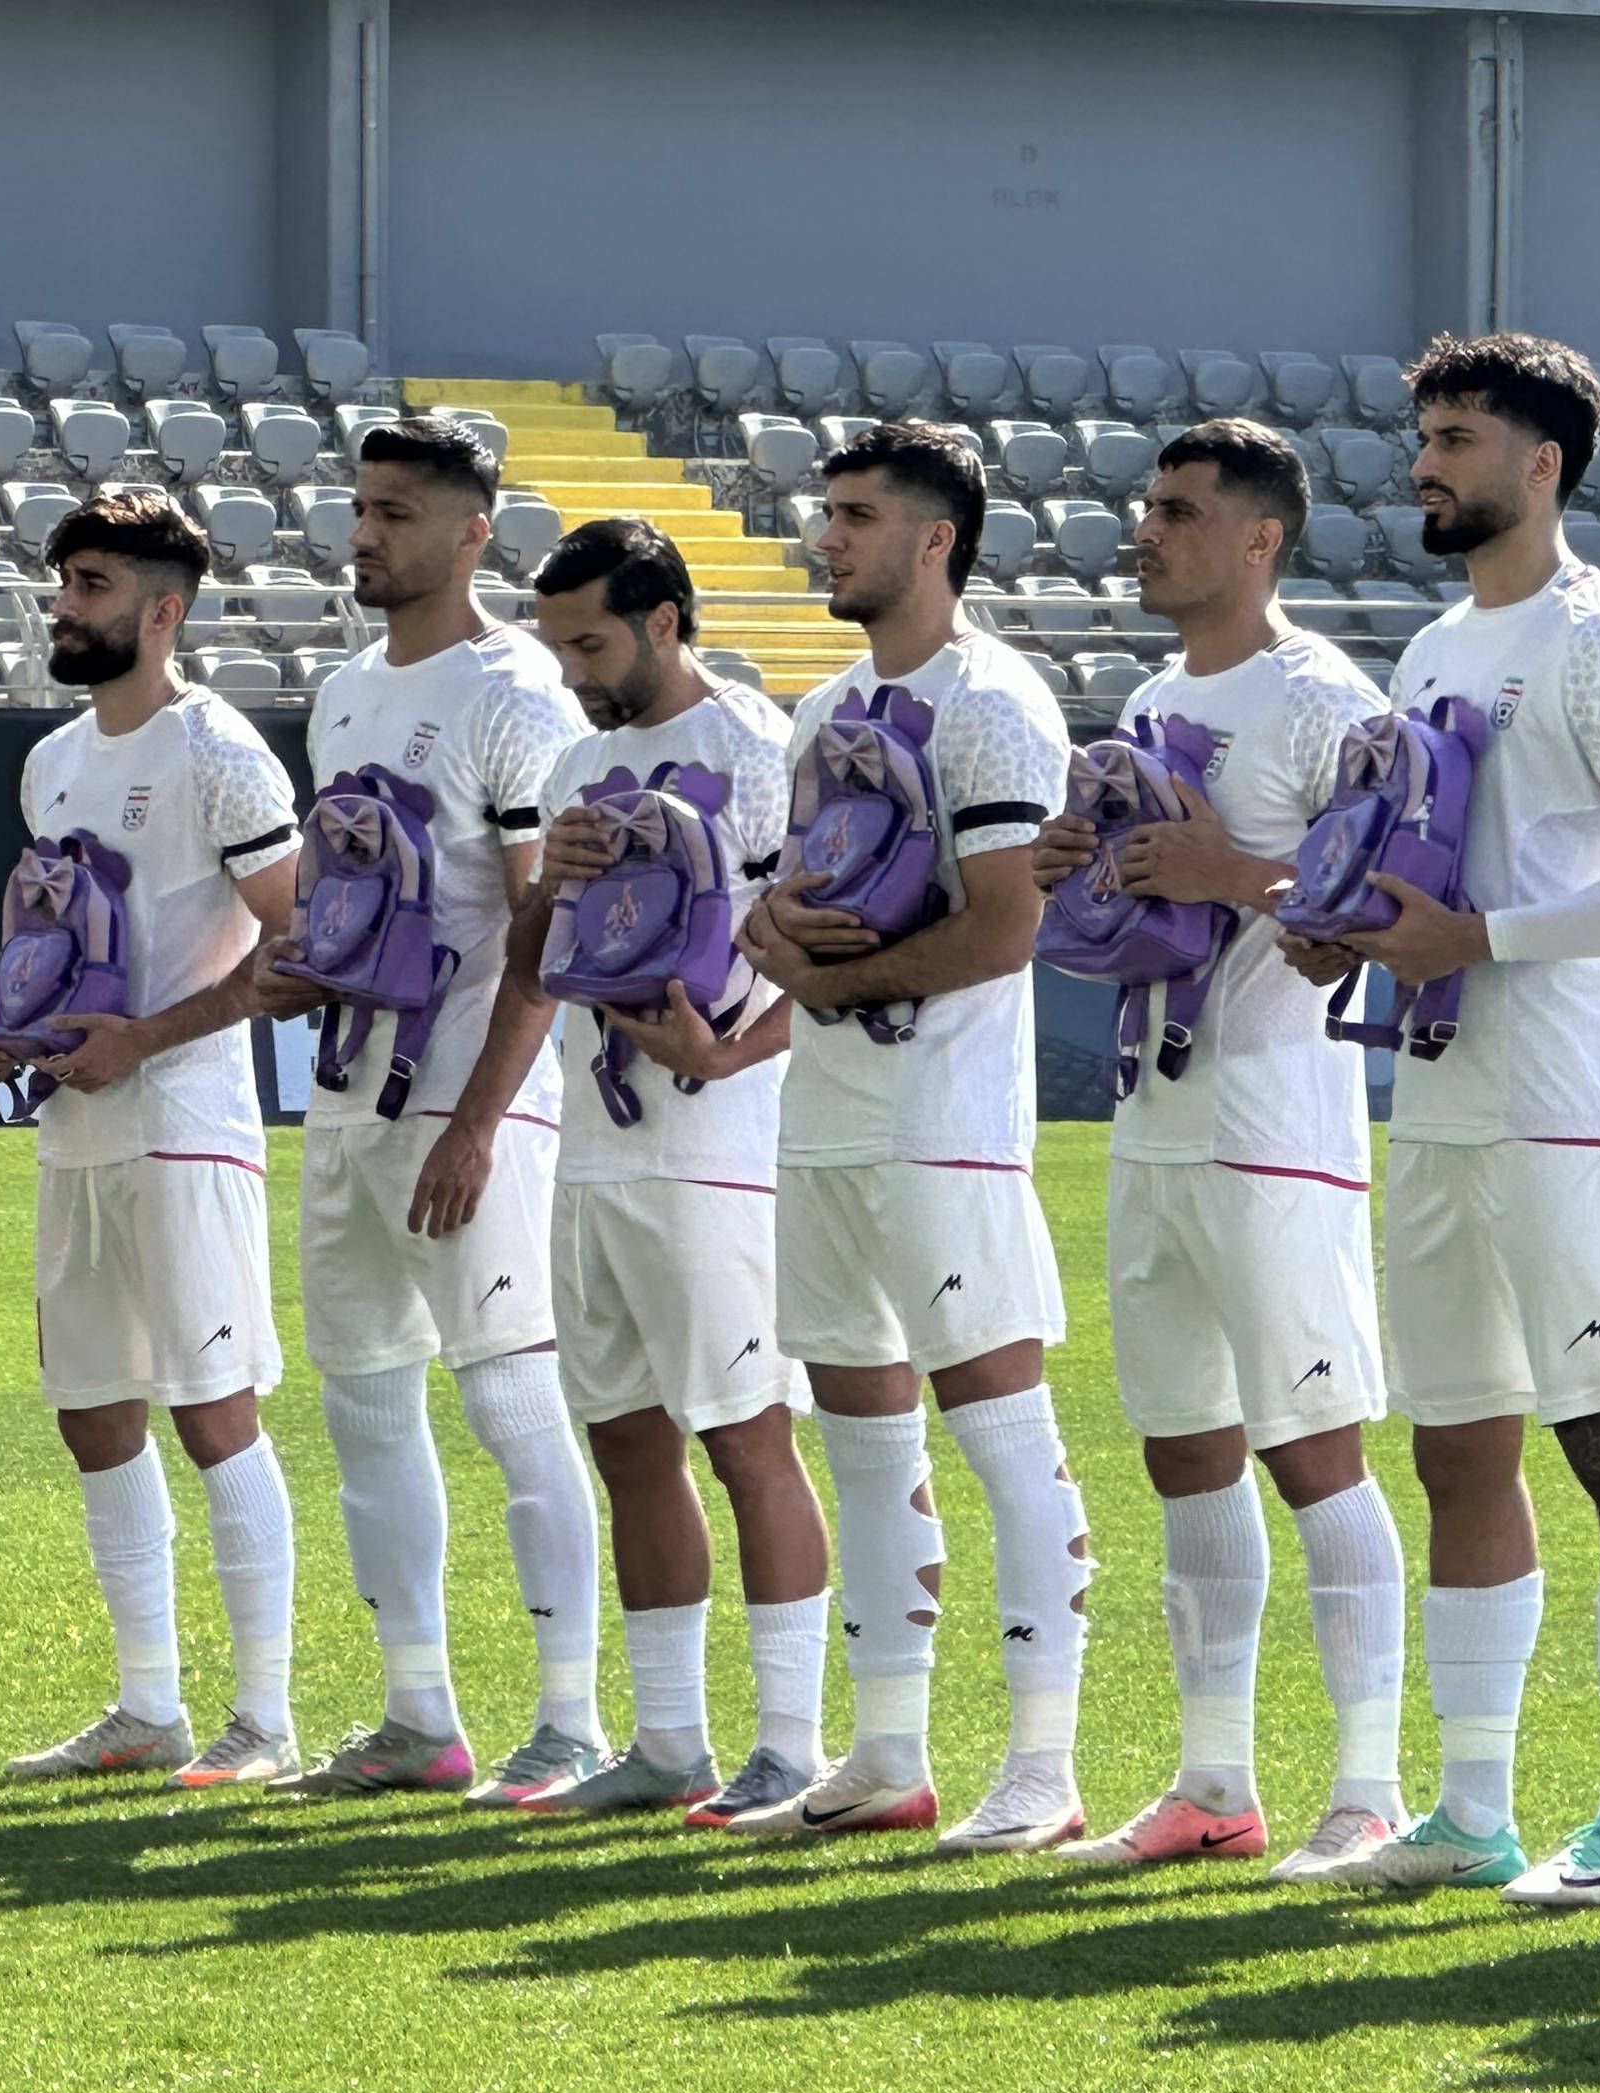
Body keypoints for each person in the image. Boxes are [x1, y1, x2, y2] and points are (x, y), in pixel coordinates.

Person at [1277, 332, 1600, 1907]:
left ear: (1542, 464)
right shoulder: (1431, 650)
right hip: (1443, 1084)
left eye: (1456, 436)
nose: (1426, 462)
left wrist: (1487, 941)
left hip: (1569, 1096)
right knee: (1455, 1440)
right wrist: (1340, 919)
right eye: (1425, 435)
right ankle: (1470, 1810)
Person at [1028, 419, 1410, 1878]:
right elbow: (1138, 905)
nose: (1147, 531)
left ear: (1260, 540)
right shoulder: (1143, 692)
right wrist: (1088, 870)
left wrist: (1233, 871)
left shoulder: (1327, 701)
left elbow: (1360, 922)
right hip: (1154, 1117)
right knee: (1184, 1454)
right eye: (1146, 508)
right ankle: (1213, 1781)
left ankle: (1365, 1787)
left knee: (1312, 1451)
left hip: (1273, 1122)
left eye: (1178, 511)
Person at [727, 421, 1084, 1847]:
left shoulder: (996, 702)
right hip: (820, 1122)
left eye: (858, 515)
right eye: (829, 513)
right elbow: (772, 902)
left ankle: (1045, 1768)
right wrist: (772, 936)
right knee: (866, 1446)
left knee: (1006, 1439)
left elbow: (1005, 928)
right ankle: (884, 1754)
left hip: (945, 1128)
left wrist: (827, 978)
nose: (831, 537)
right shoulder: (821, 714)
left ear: (937, 540)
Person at [250, 415, 601, 1804]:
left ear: (472, 532)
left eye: (396, 512)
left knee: (515, 1396)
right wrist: (300, 972)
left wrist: (475, 1120)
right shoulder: (342, 692)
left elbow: (546, 927)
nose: (365, 533)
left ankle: (569, 1717)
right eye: (361, 507)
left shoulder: (517, 693)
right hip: (345, 1102)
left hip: (473, 1107)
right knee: (366, 1407)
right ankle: (420, 1717)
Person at [498, 518, 836, 1822]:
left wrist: (739, 1050)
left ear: (664, 621)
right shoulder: (577, 758)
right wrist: (547, 884)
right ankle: (667, 1740)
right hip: (593, 1150)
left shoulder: (759, 748)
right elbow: (534, 967)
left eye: (589, 641)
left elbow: (842, 925)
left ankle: (791, 1744)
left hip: (715, 1158)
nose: (574, 668)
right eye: (558, 644)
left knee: (750, 1440)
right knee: (628, 1440)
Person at [0, 494, 305, 1788]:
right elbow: (65, 931)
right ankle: (147, 1705)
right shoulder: (53, 759)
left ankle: (265, 1719)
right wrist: (13, 1023)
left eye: (92, 583)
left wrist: (148, 1039)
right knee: (93, 1413)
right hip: (79, 1130)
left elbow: (296, 940)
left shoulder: (219, 752)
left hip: (184, 1126)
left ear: (162, 611)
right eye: (62, 580)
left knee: (214, 1410)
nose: (64, 604)